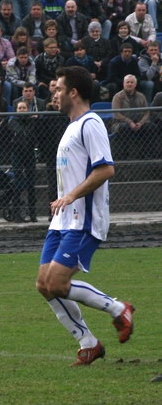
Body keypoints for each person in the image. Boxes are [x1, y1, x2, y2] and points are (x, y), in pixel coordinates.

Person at [35, 65, 134, 366]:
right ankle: (87, 341)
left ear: (73, 93)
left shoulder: (91, 123)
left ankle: (119, 309)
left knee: (58, 284)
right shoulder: (71, 126)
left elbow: (106, 169)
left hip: (83, 218)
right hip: (63, 219)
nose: (55, 93)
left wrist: (71, 195)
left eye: (59, 88)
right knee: (44, 284)